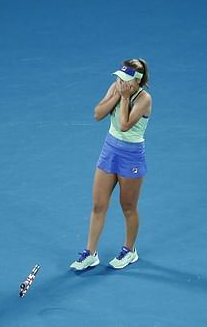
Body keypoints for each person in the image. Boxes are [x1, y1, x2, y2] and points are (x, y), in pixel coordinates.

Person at [70, 58, 152, 270]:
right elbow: (98, 114)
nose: (120, 81)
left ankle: (130, 250)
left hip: (131, 156)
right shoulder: (116, 89)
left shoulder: (144, 99)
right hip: (110, 150)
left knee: (128, 207)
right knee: (98, 205)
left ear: (137, 82)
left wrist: (123, 98)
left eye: (125, 80)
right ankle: (90, 253)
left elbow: (124, 125)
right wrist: (117, 94)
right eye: (119, 77)